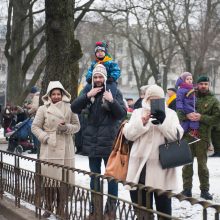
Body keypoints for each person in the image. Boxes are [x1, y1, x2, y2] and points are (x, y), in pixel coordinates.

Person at [71, 64, 126, 220]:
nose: (98, 79)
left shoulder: (114, 92)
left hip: (109, 142)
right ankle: (95, 210)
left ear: (105, 78)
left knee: (111, 178)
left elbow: (121, 114)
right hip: (91, 142)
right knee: (94, 177)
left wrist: (111, 101)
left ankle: (110, 211)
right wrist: (87, 95)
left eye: (101, 77)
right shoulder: (88, 91)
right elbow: (74, 108)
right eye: (95, 77)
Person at [123, 84, 184, 219]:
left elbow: (178, 135)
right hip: (140, 167)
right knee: (142, 211)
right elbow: (128, 134)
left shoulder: (170, 114)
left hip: (162, 167)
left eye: (158, 99)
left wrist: (163, 122)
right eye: (152, 99)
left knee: (164, 211)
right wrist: (142, 122)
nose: (154, 102)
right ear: (146, 99)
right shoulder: (138, 112)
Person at [31, 81, 80, 218]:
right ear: (49, 95)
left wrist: (67, 128)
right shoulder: (43, 109)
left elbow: (77, 126)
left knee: (64, 180)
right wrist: (45, 138)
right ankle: (48, 207)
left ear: (63, 94)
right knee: (49, 180)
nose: (57, 96)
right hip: (49, 147)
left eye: (59, 93)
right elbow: (34, 127)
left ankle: (61, 208)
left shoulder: (70, 107)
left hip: (66, 148)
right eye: (54, 94)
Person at [179, 76, 220, 200]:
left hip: (202, 137)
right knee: (187, 164)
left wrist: (201, 117)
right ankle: (187, 190)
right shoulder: (189, 95)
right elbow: (179, 111)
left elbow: (217, 118)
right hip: (188, 135)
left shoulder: (213, 100)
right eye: (201, 83)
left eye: (206, 84)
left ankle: (204, 190)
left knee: (202, 165)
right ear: (197, 84)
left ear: (209, 85)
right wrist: (187, 116)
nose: (203, 86)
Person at [176, 72, 199, 138]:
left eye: (191, 79)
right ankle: (183, 133)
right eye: (187, 79)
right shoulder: (181, 90)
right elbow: (179, 100)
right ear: (183, 80)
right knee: (190, 120)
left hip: (192, 108)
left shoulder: (192, 88)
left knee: (192, 120)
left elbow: (195, 99)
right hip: (186, 108)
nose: (189, 80)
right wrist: (180, 108)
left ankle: (191, 132)